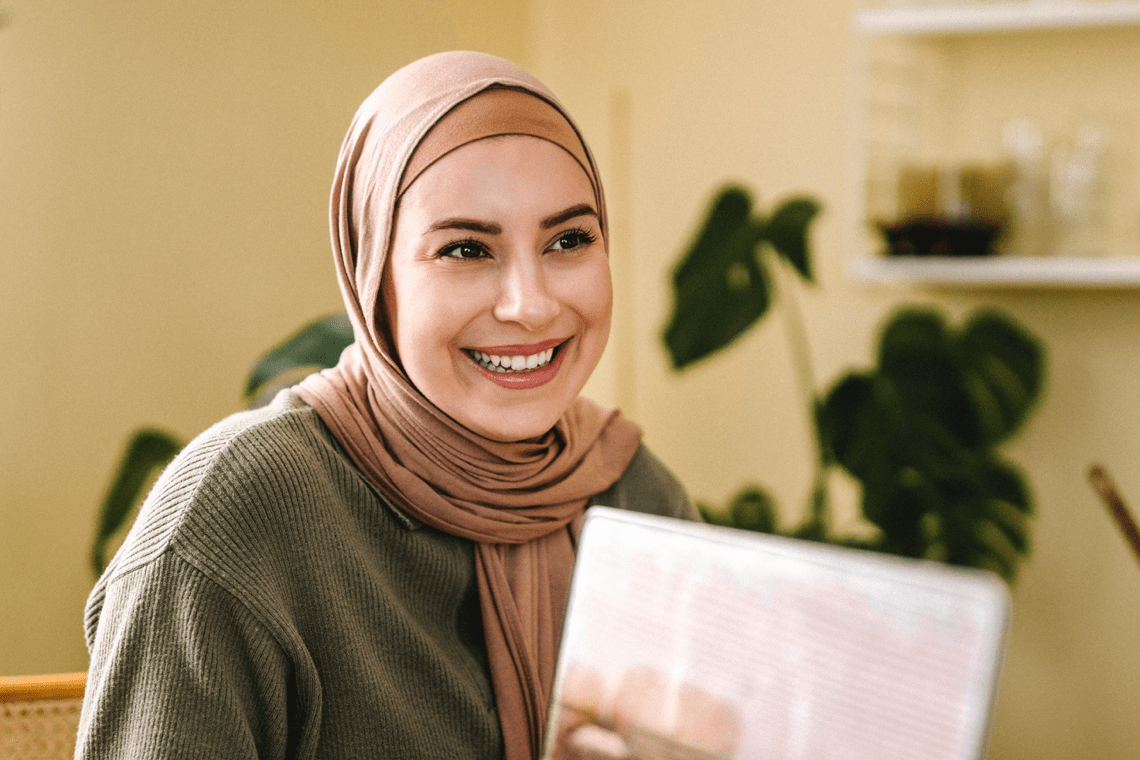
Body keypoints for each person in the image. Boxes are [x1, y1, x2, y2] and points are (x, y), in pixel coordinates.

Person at [76, 51, 695, 760]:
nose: (531, 305)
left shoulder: (633, 493)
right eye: (465, 249)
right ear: (375, 276)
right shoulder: (238, 515)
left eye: (569, 240)